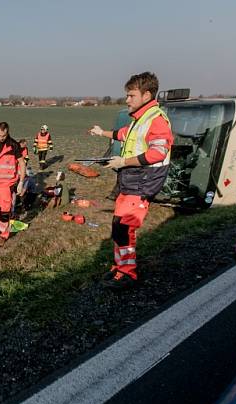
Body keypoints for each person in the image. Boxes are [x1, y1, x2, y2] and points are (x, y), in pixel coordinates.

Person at [88, 72, 173, 289]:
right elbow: (125, 134)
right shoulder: (140, 118)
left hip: (143, 182)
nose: (127, 100)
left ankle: (128, 273)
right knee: (118, 228)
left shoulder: (156, 119)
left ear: (146, 95)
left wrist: (123, 162)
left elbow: (158, 153)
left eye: (131, 95)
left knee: (124, 229)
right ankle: (120, 267)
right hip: (131, 180)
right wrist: (102, 133)